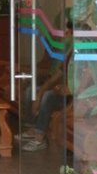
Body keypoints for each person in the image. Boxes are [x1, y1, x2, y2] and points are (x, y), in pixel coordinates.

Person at [18, 21, 73, 152]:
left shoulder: (85, 55)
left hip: (73, 97)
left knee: (48, 96)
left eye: (68, 32)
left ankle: (40, 138)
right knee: (32, 91)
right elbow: (57, 74)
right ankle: (33, 127)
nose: (65, 34)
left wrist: (71, 89)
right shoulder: (69, 53)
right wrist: (39, 93)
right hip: (61, 91)